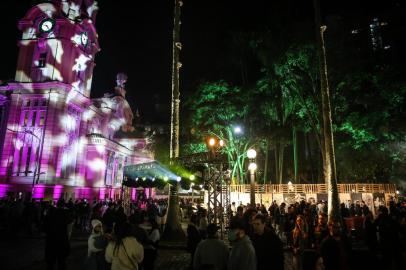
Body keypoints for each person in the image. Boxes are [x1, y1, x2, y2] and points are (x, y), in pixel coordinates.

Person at [44, 199, 72, 270]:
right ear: (64, 205)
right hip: (62, 240)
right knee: (61, 262)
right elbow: (69, 229)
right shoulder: (67, 214)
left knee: (50, 263)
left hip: (51, 240)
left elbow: (45, 226)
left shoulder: (51, 212)